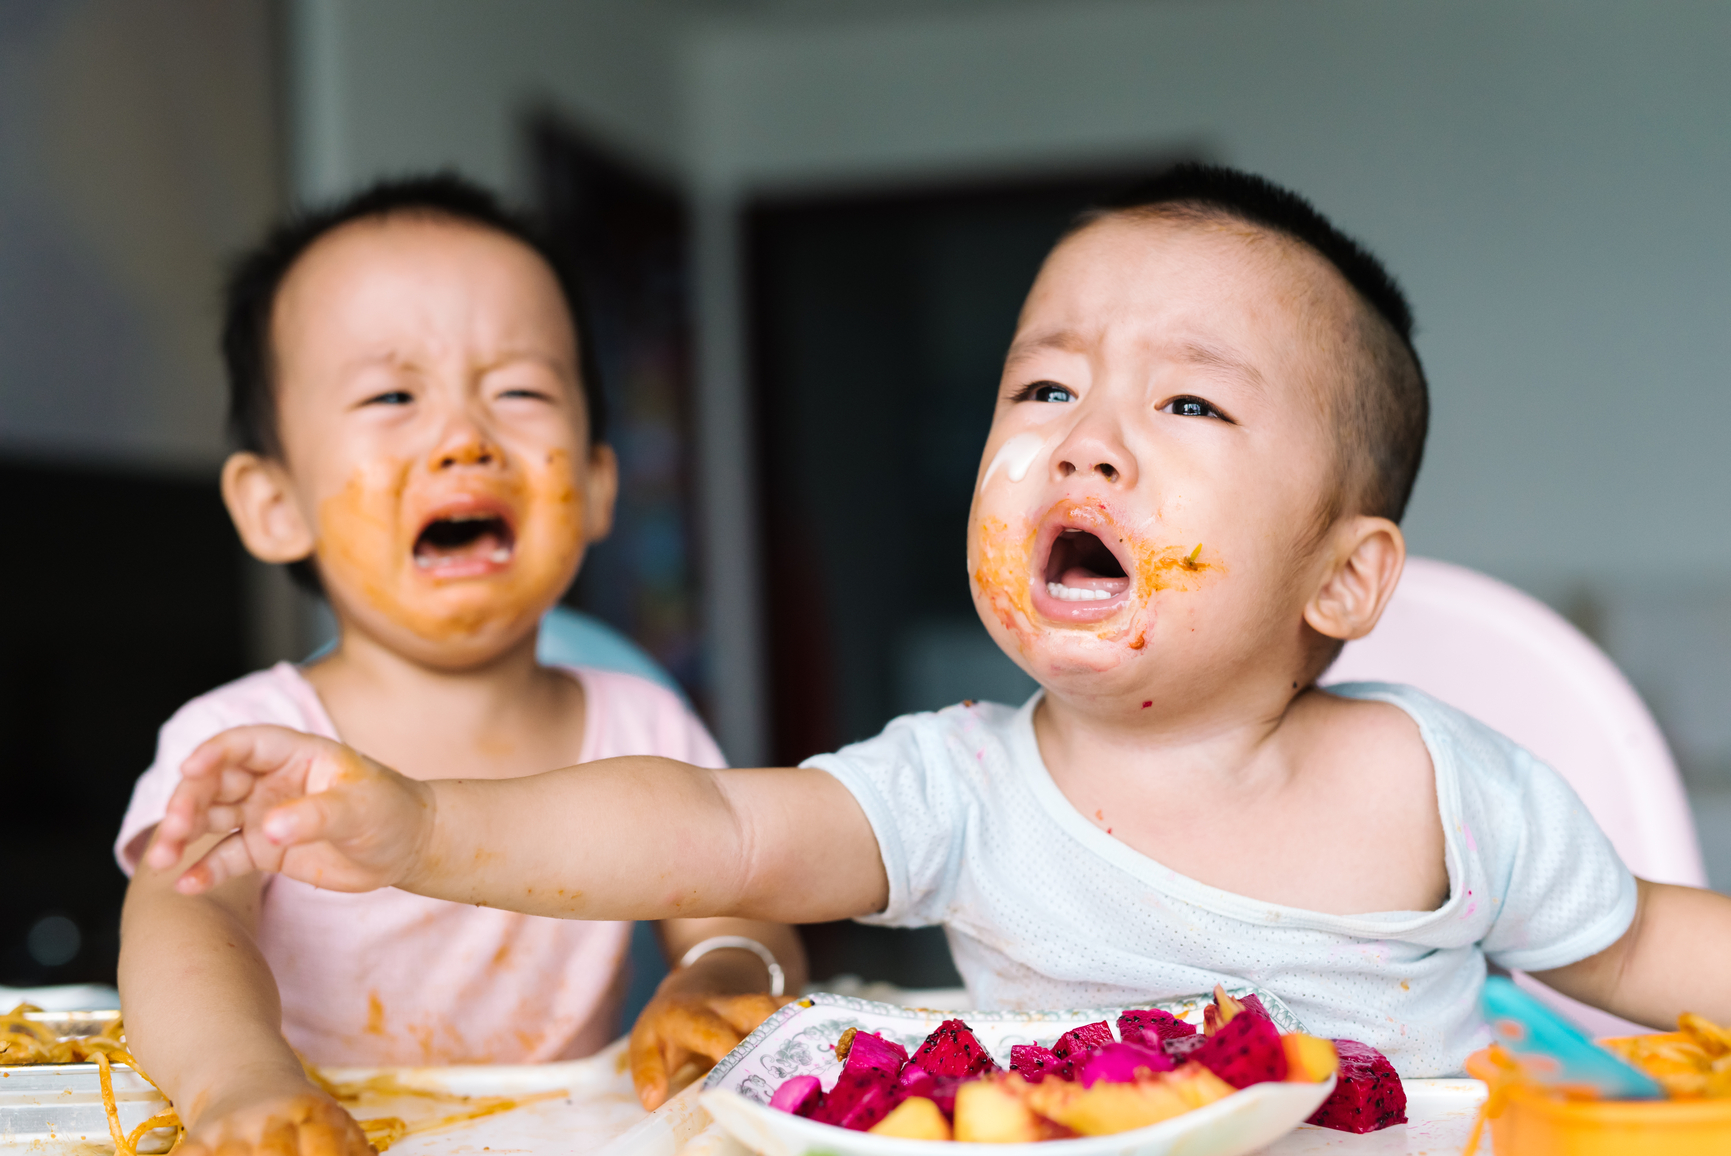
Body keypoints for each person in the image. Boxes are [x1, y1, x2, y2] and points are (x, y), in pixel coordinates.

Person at [149, 165, 1731, 1095]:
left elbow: (1660, 948)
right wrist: (420, 824)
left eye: (1183, 400)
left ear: (1340, 578)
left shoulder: (1439, 790)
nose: (1083, 439)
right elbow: (703, 825)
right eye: (1042, 387)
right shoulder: (958, 792)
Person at [116, 175, 804, 1156]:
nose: (464, 437)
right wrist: (237, 1082)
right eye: (392, 394)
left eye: (519, 390)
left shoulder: (644, 725)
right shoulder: (244, 743)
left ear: (600, 486)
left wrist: (715, 983)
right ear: (274, 503)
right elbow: (182, 931)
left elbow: (745, 922)